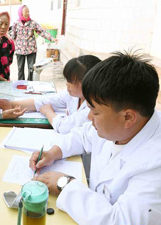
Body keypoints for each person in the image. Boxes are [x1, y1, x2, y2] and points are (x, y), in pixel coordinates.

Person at [30, 51, 161, 224]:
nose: (89, 117)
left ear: (128, 117)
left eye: (95, 111)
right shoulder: (118, 124)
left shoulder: (155, 166)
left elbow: (119, 221)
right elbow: (83, 135)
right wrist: (53, 153)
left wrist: (65, 184)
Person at [0, 55, 101, 134]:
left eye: (71, 81)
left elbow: (64, 127)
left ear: (87, 82)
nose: (67, 84)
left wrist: (48, 112)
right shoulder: (73, 96)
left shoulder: (92, 109)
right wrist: (11, 104)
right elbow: (44, 101)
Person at [10, 5, 54, 81]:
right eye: (25, 11)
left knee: (31, 68)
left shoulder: (33, 23)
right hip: (19, 50)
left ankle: (30, 84)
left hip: (31, 49)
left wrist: (51, 38)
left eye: (28, 11)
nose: (27, 13)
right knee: (20, 69)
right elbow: (12, 36)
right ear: (21, 12)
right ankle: (21, 84)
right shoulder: (16, 23)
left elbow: (41, 31)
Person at [0, 11, 15, 81]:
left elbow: (10, 60)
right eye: (0, 23)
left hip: (5, 77)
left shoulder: (9, 42)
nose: (3, 27)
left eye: (6, 24)